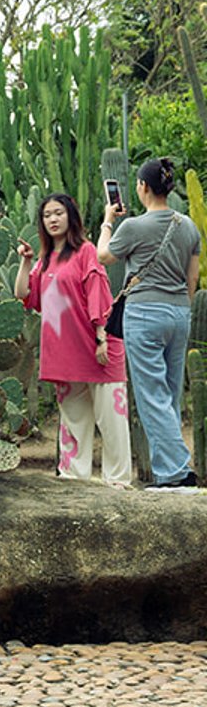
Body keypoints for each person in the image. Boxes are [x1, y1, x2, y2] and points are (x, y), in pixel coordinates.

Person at [98, 157, 201, 490]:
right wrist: (181, 308)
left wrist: (107, 222)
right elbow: (192, 278)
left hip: (144, 314)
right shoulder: (188, 226)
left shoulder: (133, 227)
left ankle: (176, 472)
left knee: (151, 396)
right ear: (169, 188)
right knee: (169, 393)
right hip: (179, 313)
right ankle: (167, 472)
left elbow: (104, 256)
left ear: (142, 187)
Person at [14, 193, 132, 486]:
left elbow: (98, 292)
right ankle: (73, 481)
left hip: (98, 347)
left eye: (58, 213)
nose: (53, 219)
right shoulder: (45, 260)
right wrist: (26, 262)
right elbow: (23, 294)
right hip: (64, 354)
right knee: (74, 422)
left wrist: (102, 336)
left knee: (112, 422)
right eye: (47, 215)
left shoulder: (86, 251)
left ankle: (117, 482)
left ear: (71, 217)